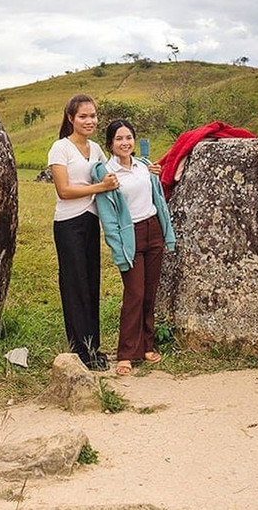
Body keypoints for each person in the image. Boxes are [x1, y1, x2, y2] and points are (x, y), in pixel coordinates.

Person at [92, 120, 176, 377]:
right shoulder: (107, 173)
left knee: (150, 292)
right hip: (131, 236)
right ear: (110, 144)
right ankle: (126, 353)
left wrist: (166, 233)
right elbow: (107, 215)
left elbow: (158, 200)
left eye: (129, 137)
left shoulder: (143, 166)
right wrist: (117, 249)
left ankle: (147, 346)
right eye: (119, 139)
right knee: (134, 293)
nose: (125, 142)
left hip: (153, 231)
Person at [48, 94, 118, 370]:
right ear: (71, 118)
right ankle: (80, 351)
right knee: (74, 284)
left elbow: (113, 172)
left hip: (90, 221)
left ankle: (93, 347)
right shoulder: (60, 148)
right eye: (83, 116)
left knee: (91, 284)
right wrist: (99, 188)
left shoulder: (97, 148)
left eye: (93, 116)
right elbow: (64, 191)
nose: (90, 121)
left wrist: (145, 168)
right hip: (68, 223)